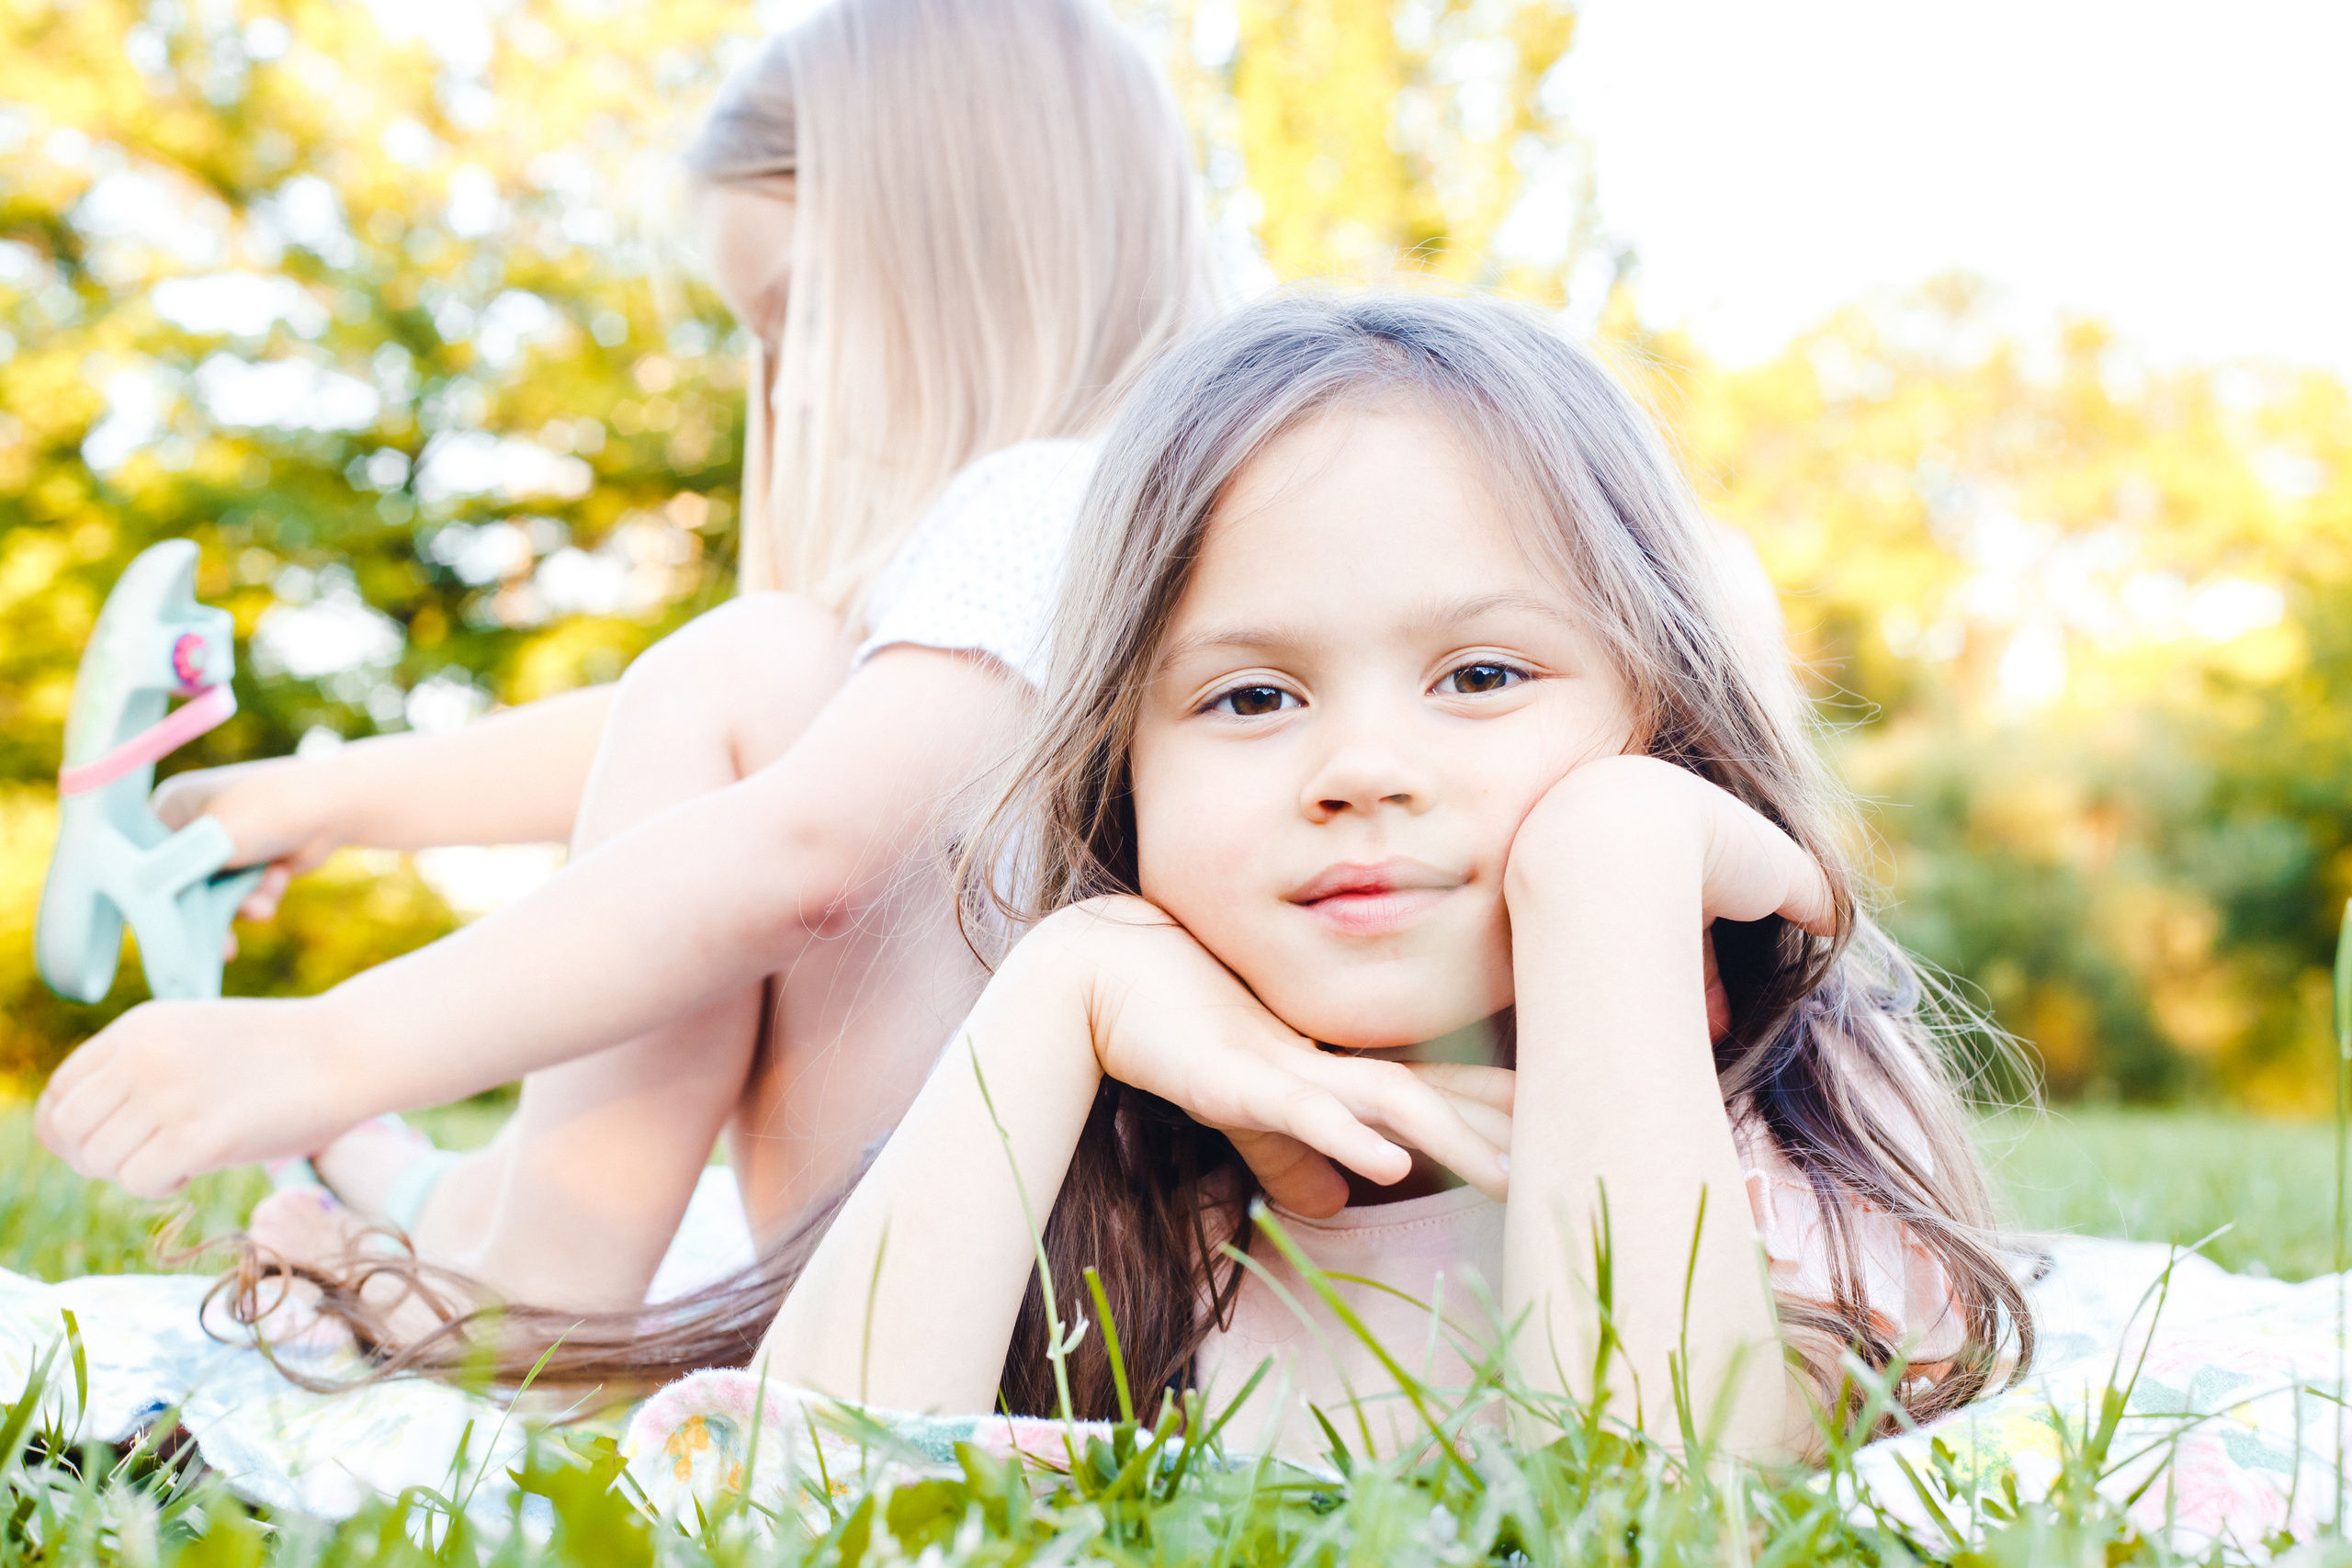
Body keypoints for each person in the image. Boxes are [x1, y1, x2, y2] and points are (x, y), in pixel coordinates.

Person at [33, 0, 1221, 1325]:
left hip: (1000, 1289)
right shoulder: (1154, 515)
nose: (793, 391)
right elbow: (711, 748)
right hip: (1087, 1278)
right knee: (774, 667)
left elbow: (795, 847)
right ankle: (442, 1199)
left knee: (763, 658)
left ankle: (519, 1279)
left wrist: (322, 1046)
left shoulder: (1046, 504)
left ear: (969, 248)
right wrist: (325, 799)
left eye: (799, 312)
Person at [752, 292, 2032, 1457]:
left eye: (1481, 676)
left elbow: (1653, 1501)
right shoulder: (1119, 1174)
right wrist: (1060, 992)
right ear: (1121, 771)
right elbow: (791, 1502)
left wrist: (1609, 875)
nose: (1362, 769)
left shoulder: (1801, 1122)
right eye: (1251, 695)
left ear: (1662, 719)